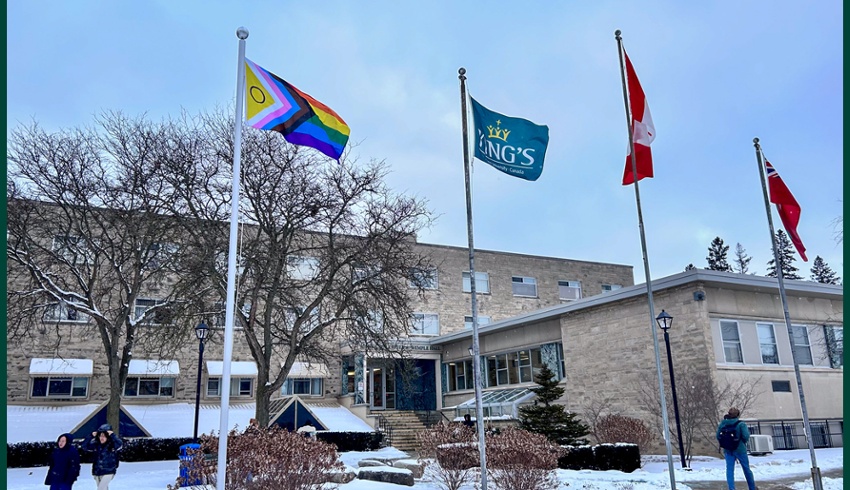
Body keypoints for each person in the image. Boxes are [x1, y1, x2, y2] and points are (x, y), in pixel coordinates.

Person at [716, 407, 756, 490]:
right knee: (746, 469)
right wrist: (741, 442)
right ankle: (752, 487)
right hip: (740, 449)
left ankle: (731, 488)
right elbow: (746, 436)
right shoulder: (741, 424)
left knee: (730, 470)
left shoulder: (723, 423)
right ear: (738, 414)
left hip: (728, 450)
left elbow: (718, 435)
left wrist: (725, 443)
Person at [84, 424, 123, 490]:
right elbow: (84, 446)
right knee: (103, 488)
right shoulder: (95, 444)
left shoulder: (112, 444)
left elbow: (120, 444)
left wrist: (113, 435)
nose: (102, 438)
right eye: (100, 435)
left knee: (101, 488)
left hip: (109, 471)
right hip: (97, 471)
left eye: (104, 436)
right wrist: (90, 436)